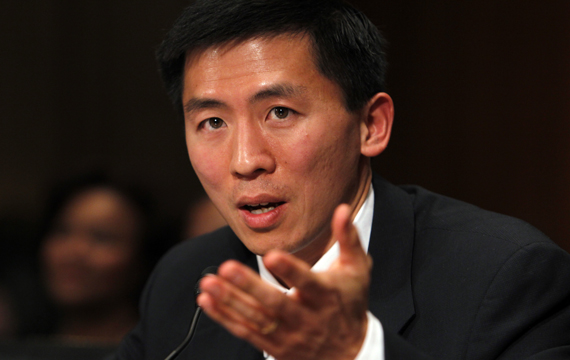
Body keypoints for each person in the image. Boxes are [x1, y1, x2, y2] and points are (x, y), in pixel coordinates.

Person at [115, 0, 570, 359]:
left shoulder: (505, 275)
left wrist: (357, 354)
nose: (246, 160)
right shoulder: (187, 282)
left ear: (371, 125)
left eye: (280, 113)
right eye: (213, 122)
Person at [39, 173, 171, 345]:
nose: (73, 252)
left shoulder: (163, 350)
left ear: (141, 258)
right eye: (62, 231)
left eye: (101, 238)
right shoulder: (19, 346)